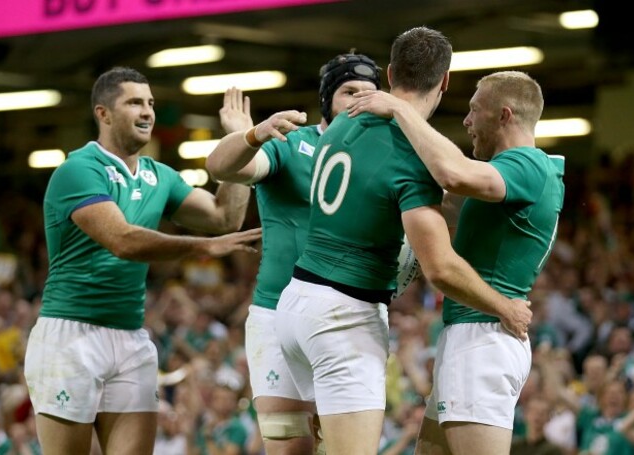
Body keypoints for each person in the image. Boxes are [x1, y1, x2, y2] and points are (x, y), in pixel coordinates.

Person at [274, 27, 532, 455]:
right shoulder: (414, 154)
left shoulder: (342, 122)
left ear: (390, 72)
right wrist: (505, 307)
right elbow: (440, 269)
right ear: (445, 81)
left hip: (296, 304)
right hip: (343, 315)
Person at [23, 66, 262, 455]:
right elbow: (123, 240)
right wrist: (199, 247)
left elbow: (224, 218)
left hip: (131, 337)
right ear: (103, 113)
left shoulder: (160, 176)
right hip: (70, 336)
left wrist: (240, 143)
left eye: (150, 102)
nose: (148, 111)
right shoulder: (78, 170)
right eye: (135, 102)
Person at [347, 70, 565, 454]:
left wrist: (400, 107)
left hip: (484, 337)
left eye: (473, 110)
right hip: (470, 336)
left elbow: (452, 172)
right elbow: (440, 197)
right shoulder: (509, 178)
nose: (465, 121)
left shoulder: (529, 165)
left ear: (504, 114)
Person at [206, 51, 382, 454]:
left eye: (368, 94)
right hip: (275, 315)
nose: (358, 101)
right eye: (348, 91)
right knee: (289, 447)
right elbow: (222, 167)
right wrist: (252, 135)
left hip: (350, 318)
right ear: (326, 100)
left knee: (344, 448)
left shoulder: (381, 155)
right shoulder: (291, 144)